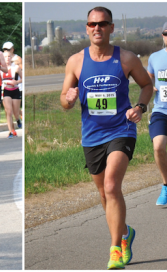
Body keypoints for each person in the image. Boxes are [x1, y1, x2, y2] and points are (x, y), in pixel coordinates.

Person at [59, 6, 155, 269]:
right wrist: (67, 100)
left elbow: (147, 86)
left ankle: (114, 249)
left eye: (102, 24)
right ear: (86, 28)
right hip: (92, 135)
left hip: (121, 130)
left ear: (112, 27)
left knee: (112, 186)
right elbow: (64, 99)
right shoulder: (76, 61)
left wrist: (140, 108)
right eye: (92, 24)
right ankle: (125, 233)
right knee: (103, 193)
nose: (97, 28)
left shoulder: (126, 58)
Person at [148, 22, 167, 206]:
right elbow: (147, 82)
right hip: (160, 110)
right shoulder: (154, 58)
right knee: (158, 146)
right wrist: (150, 87)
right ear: (162, 36)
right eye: (166, 33)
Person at [1, 42, 23, 139]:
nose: (7, 59)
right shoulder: (0, 69)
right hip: (5, 91)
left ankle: (18, 119)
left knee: (15, 112)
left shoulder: (16, 68)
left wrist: (16, 82)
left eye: (9, 57)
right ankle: (11, 131)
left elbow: (23, 79)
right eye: (5, 57)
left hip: (15, 90)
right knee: (8, 111)